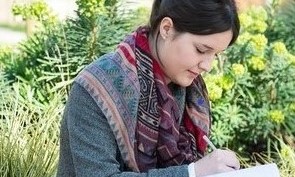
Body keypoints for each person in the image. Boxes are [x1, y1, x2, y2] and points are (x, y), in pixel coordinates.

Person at [57, 0, 241, 176]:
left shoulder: (188, 89)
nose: (207, 66)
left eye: (215, 54)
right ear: (167, 29)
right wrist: (193, 172)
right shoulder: (97, 88)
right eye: (201, 50)